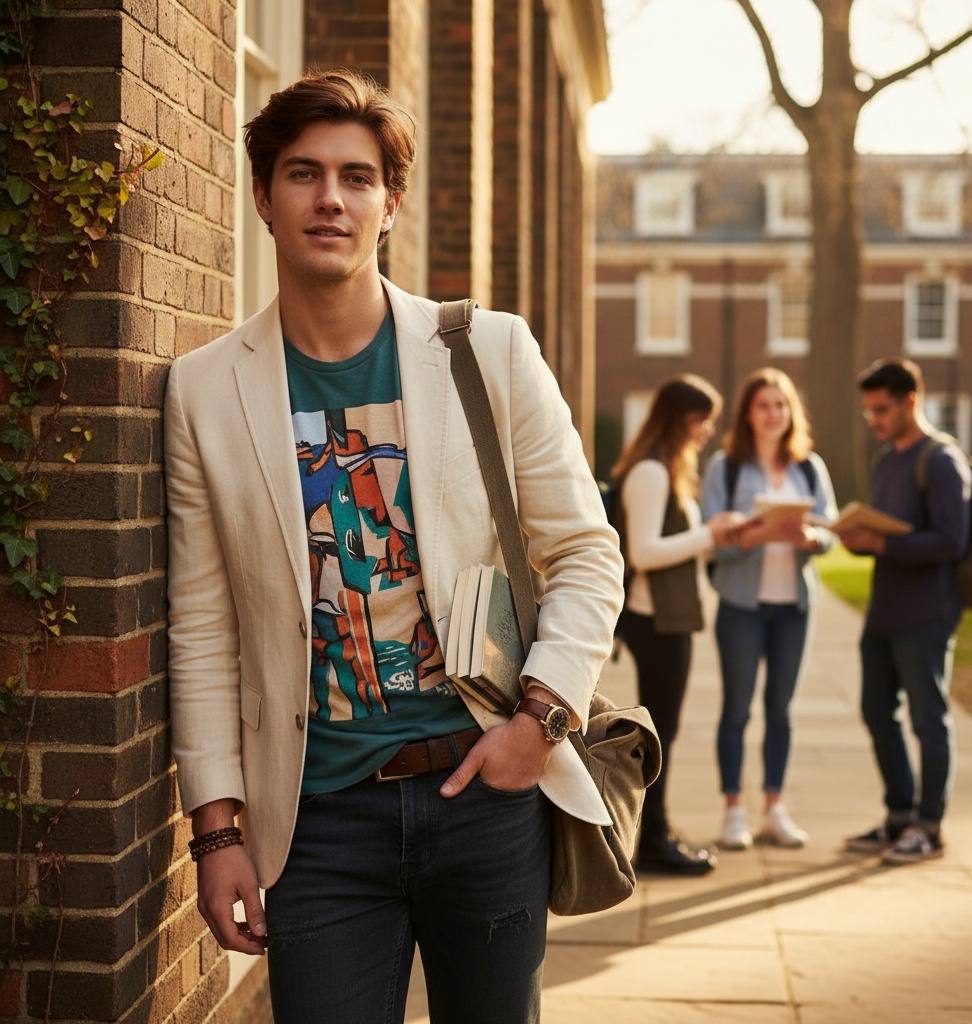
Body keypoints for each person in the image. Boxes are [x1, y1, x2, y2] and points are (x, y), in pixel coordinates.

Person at [164, 69, 623, 1024]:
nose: (330, 197)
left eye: (356, 176)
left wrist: (537, 725)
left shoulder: (487, 350)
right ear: (262, 197)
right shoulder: (204, 390)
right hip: (318, 821)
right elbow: (203, 627)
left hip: (485, 794)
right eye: (302, 173)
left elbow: (585, 552)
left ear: (390, 203)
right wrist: (216, 835)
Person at [610, 375, 745, 875]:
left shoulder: (666, 468)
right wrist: (708, 534)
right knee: (659, 734)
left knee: (664, 731)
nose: (709, 429)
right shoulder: (650, 471)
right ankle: (651, 842)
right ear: (678, 419)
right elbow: (642, 552)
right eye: (702, 418)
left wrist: (713, 535)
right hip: (654, 620)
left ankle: (657, 832)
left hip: (669, 619)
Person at [839, 358, 971, 864]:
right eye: (868, 410)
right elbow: (888, 535)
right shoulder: (887, 460)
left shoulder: (940, 459)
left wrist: (883, 543)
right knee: (876, 710)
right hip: (884, 609)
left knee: (928, 718)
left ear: (910, 400)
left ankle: (929, 827)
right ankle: (898, 815)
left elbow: (950, 540)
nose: (873, 419)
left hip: (928, 611)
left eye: (882, 409)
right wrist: (859, 542)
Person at [701, 367, 837, 850]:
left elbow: (830, 532)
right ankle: (733, 811)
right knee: (737, 709)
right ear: (748, 414)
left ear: (790, 412)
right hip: (742, 606)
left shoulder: (808, 467)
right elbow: (711, 543)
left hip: (794, 608)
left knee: (781, 710)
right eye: (763, 405)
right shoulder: (725, 467)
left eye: (780, 404)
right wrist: (759, 534)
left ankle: (775, 807)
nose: (773, 413)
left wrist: (811, 538)